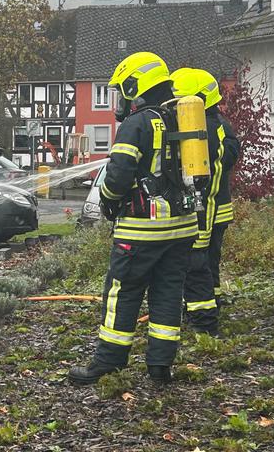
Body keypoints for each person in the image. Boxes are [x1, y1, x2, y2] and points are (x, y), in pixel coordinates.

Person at [68, 51, 198, 386]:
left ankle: (108, 363)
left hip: (142, 229)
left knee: (122, 292)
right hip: (182, 227)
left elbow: (119, 173)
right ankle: (159, 366)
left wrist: (109, 201)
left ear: (135, 84)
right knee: (168, 292)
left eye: (123, 88)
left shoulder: (137, 123)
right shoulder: (183, 118)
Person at [171, 68, 240, 335]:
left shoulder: (204, 129)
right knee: (209, 261)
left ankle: (203, 318)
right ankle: (212, 302)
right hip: (216, 208)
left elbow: (203, 177)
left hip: (206, 209)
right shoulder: (220, 125)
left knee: (197, 261)